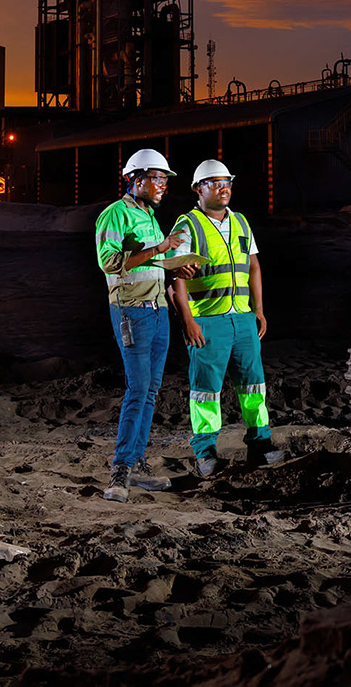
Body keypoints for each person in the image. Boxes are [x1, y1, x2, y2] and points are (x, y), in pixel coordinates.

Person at [168, 158, 284, 477]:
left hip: (243, 320)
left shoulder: (242, 222)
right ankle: (205, 453)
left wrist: (258, 311)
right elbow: (175, 275)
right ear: (198, 189)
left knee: (254, 386)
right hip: (208, 321)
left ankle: (260, 445)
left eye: (227, 182)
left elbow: (254, 266)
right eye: (215, 182)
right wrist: (188, 320)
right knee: (206, 391)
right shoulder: (187, 225)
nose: (223, 188)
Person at [94, 148, 197, 503]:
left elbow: (156, 259)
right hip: (131, 311)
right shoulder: (114, 215)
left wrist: (176, 265)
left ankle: (136, 463)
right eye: (157, 179)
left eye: (165, 181)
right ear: (136, 179)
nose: (162, 187)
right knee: (137, 390)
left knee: (151, 390)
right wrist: (161, 249)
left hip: (157, 312)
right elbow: (110, 262)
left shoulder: (150, 217)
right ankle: (120, 471)